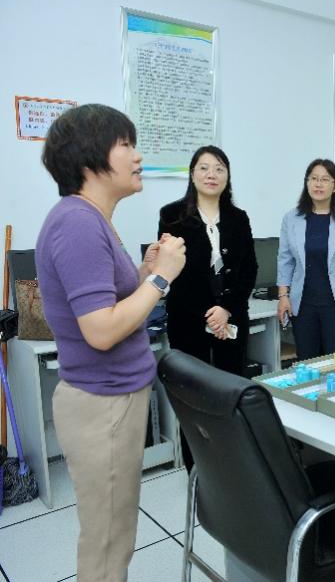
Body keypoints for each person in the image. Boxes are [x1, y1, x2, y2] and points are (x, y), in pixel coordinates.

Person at [36, 104, 186, 581]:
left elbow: (106, 301)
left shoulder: (90, 218)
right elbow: (100, 330)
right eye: (126, 145)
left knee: (113, 537)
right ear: (89, 159)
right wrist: (161, 279)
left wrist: (142, 273)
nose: (138, 156)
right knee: (107, 546)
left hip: (110, 399)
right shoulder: (78, 223)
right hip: (104, 405)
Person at [158, 145, 257, 471]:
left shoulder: (238, 218)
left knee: (230, 390)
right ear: (192, 174)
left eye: (219, 169)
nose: (211, 174)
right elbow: (173, 270)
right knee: (192, 395)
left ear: (227, 177)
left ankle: (231, 464)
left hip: (231, 319)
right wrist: (210, 315)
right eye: (204, 168)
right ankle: (197, 469)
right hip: (187, 319)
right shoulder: (172, 216)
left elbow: (249, 270)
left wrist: (225, 309)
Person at [276, 159, 335, 358]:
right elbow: (285, 259)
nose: (318, 184)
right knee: (307, 362)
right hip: (303, 304)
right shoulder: (291, 218)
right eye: (313, 179)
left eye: (325, 179)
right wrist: (283, 297)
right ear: (307, 183)